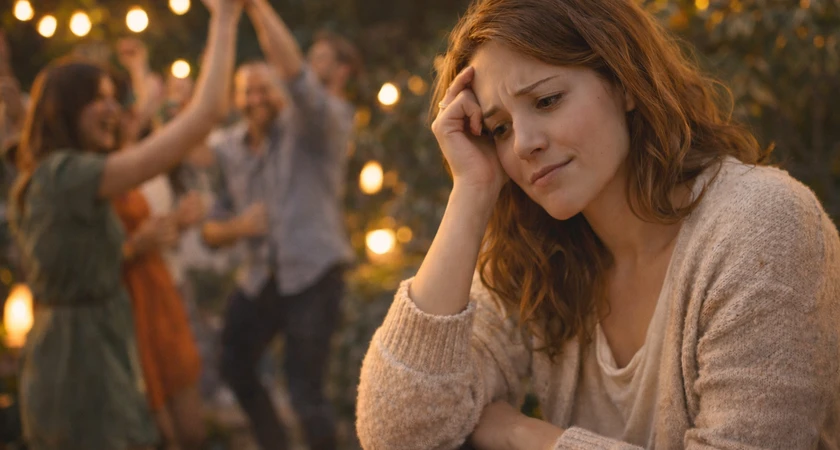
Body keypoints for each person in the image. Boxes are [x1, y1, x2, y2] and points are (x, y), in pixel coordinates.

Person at [356, 0, 840, 448]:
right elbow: (397, 429)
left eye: (546, 101)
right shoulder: (535, 252)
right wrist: (472, 190)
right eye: (499, 127)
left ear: (625, 82)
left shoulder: (763, 225)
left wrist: (523, 434)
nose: (523, 144)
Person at [9, 0, 241, 448]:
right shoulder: (64, 175)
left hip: (106, 347)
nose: (112, 109)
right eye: (97, 98)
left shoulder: (75, 175)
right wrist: (226, 17)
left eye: (114, 97)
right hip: (77, 367)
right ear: (63, 110)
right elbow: (203, 118)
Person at [201, 1, 360, 448]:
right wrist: (236, 229)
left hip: (314, 273)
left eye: (264, 89)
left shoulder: (313, 127)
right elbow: (210, 228)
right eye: (247, 90)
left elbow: (297, 78)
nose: (256, 98)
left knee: (305, 392)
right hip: (262, 277)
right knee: (233, 362)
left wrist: (252, 6)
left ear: (281, 92)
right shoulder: (228, 148)